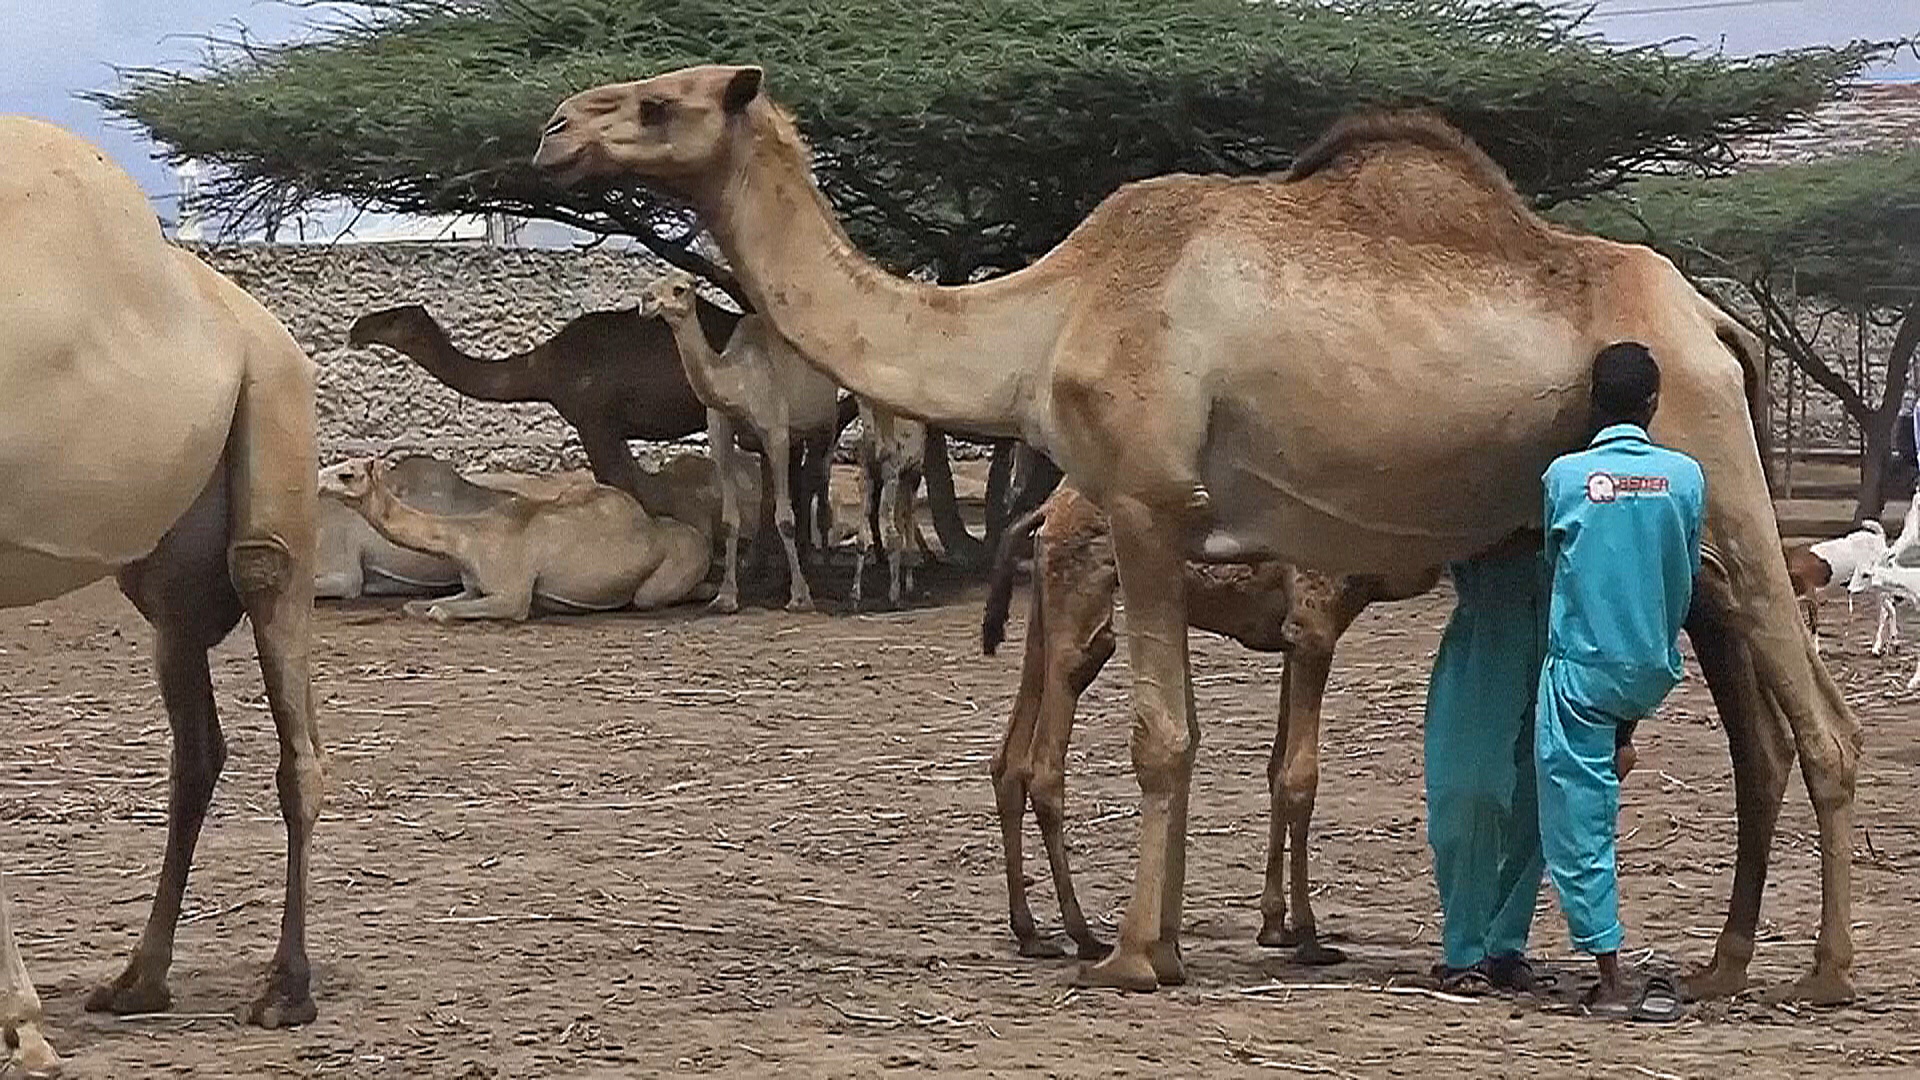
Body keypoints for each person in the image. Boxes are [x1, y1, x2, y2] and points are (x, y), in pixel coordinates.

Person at [1536, 341, 1704, 1021]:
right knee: (1599, 771)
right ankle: (1620, 743)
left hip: (1583, 670)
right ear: (1654, 403)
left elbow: (1555, 560)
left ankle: (1609, 975)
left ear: (1592, 404)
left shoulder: (1565, 478)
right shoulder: (1687, 475)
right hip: (1652, 666)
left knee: (1580, 820)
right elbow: (1684, 561)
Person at [1423, 539, 1550, 995]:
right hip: (1490, 614)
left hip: (1567, 625)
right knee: (1469, 785)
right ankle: (1465, 946)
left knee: (1541, 791)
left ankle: (1504, 943)